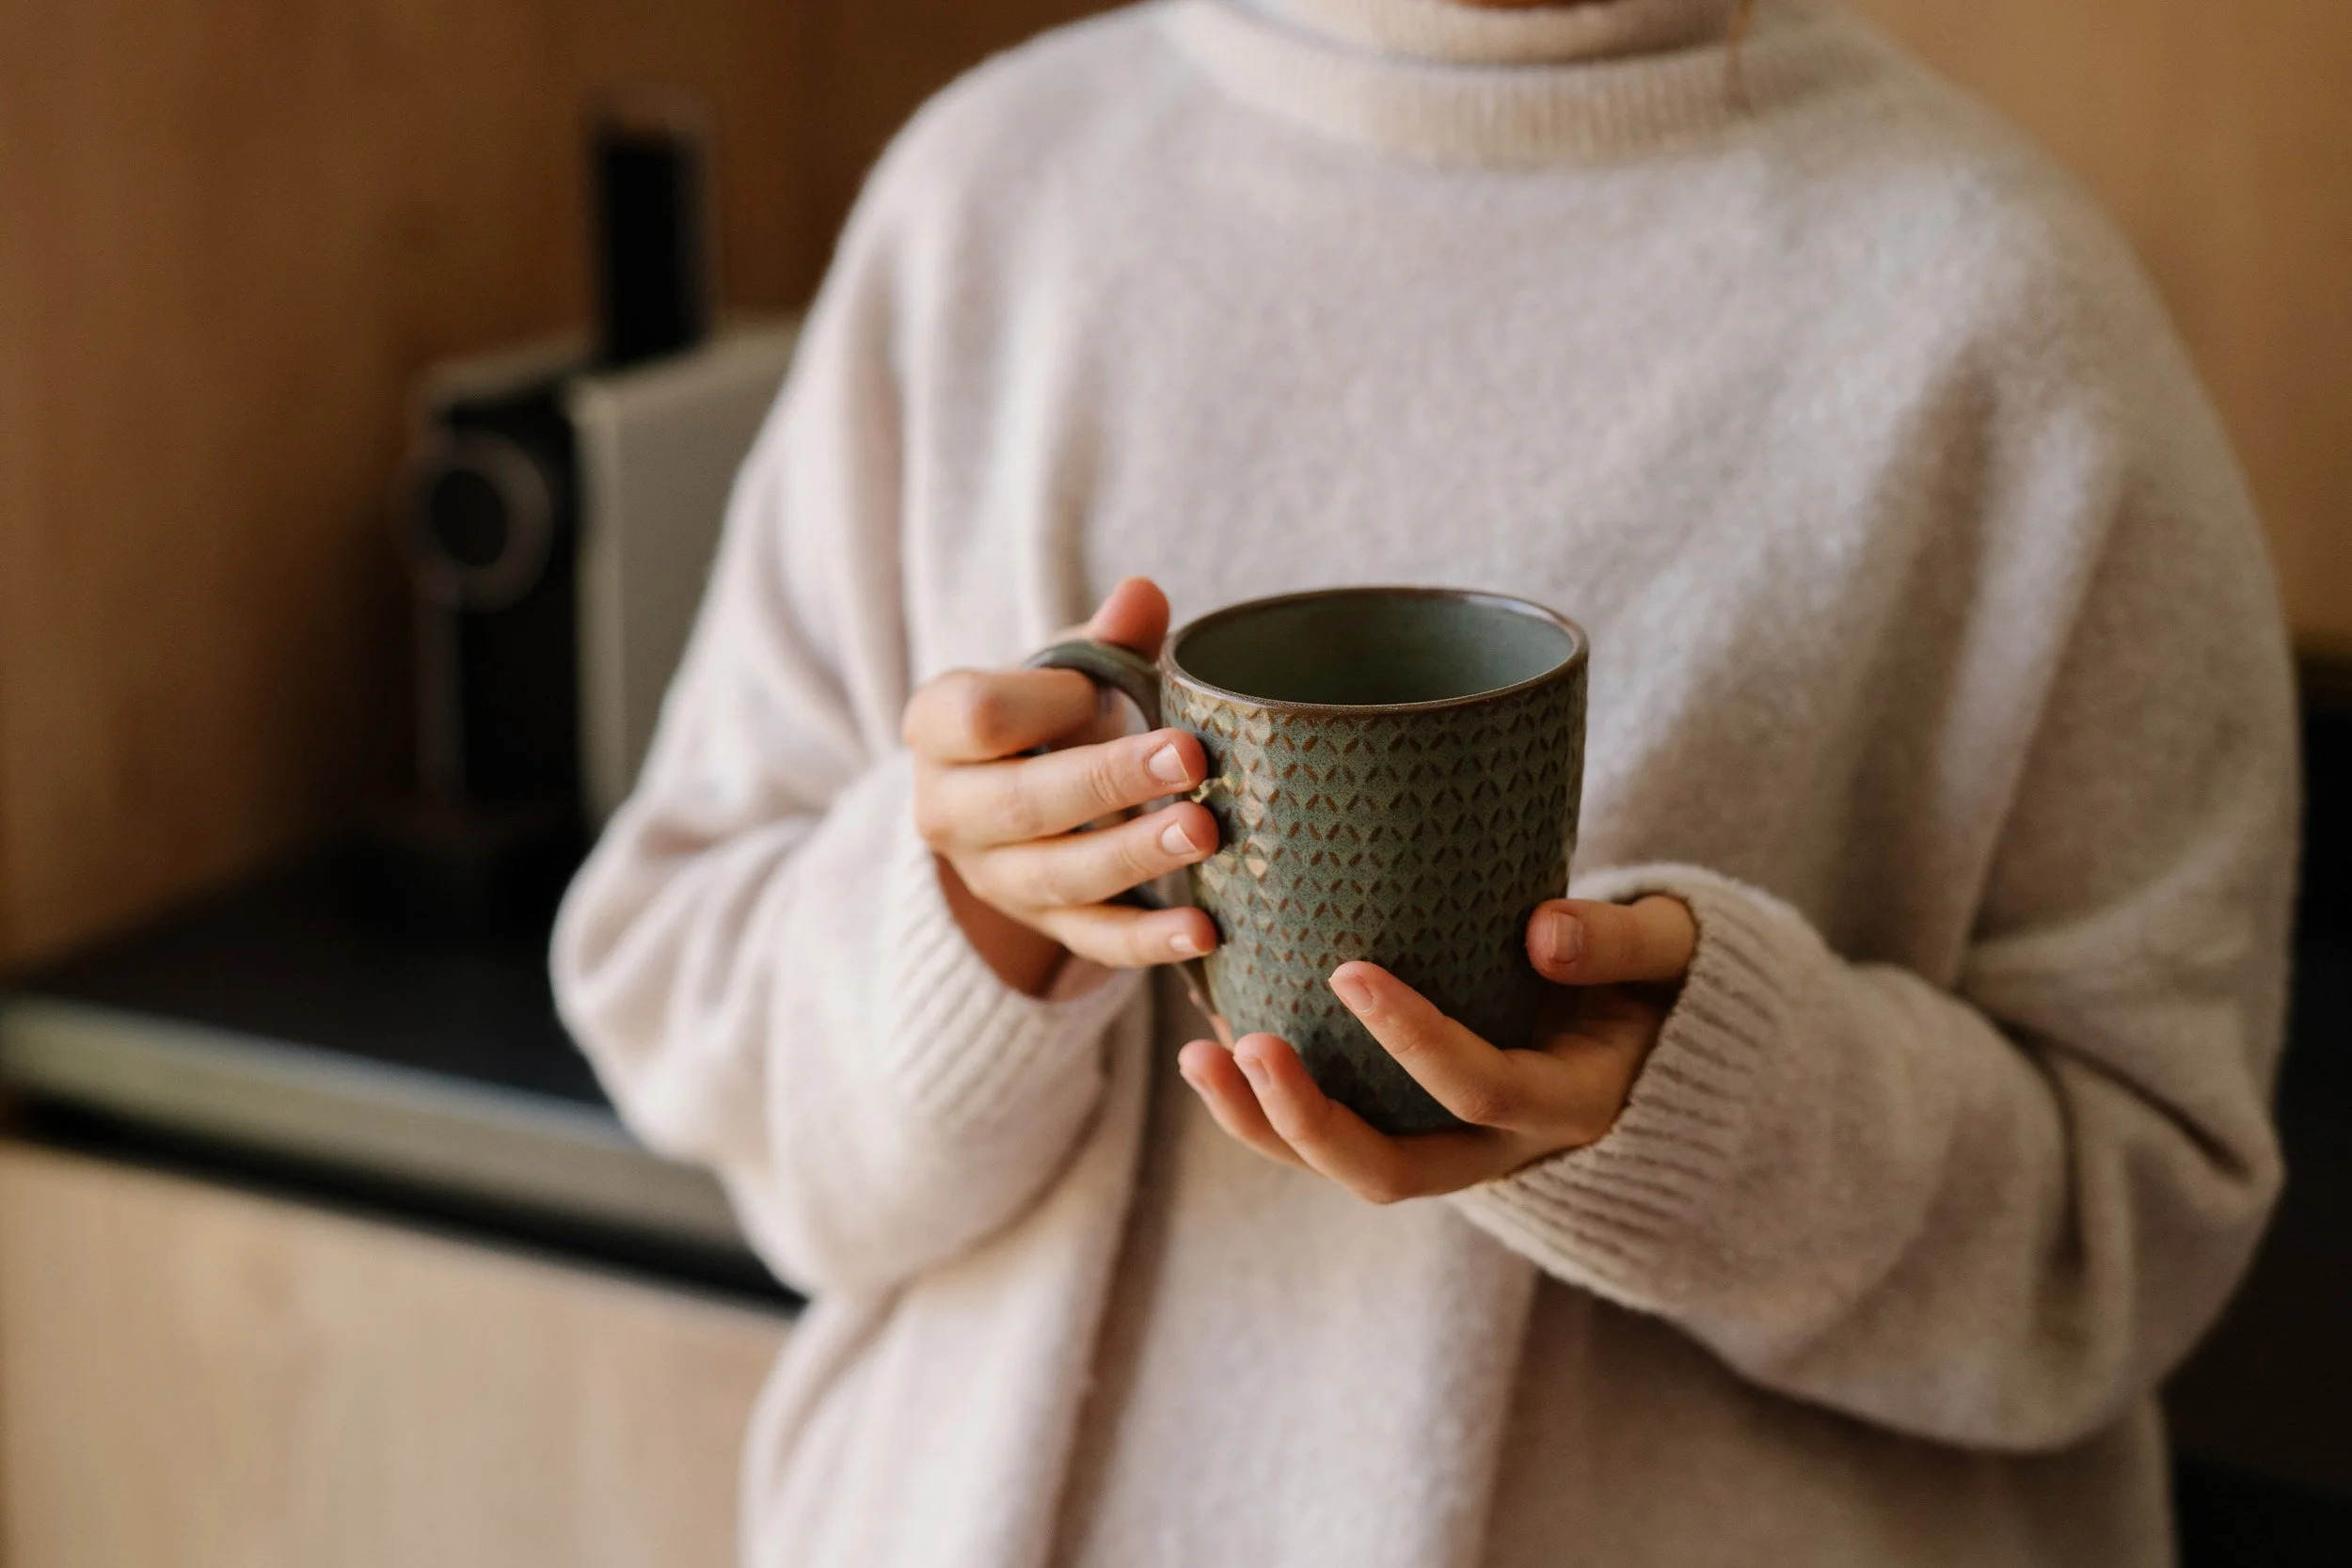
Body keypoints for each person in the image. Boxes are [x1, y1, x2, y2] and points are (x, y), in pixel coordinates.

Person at [550, 0, 2297, 1561]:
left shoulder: (2005, 313)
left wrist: (1703, 1109)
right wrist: (974, 915)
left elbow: (2131, 1228)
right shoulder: (991, 200)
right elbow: (672, 989)